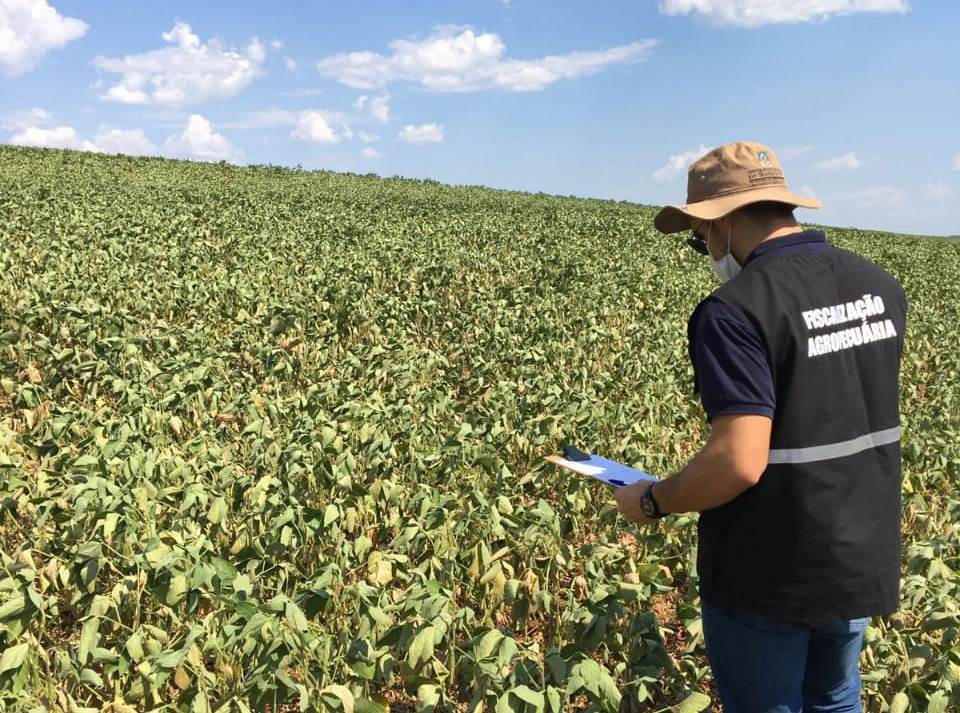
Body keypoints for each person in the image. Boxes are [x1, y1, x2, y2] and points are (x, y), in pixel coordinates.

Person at [614, 141, 907, 712]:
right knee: (836, 700)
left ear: (722, 221)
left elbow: (738, 461)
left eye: (700, 238)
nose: (704, 250)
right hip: (857, 551)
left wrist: (652, 500)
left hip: (771, 568)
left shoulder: (735, 310)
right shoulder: (879, 287)